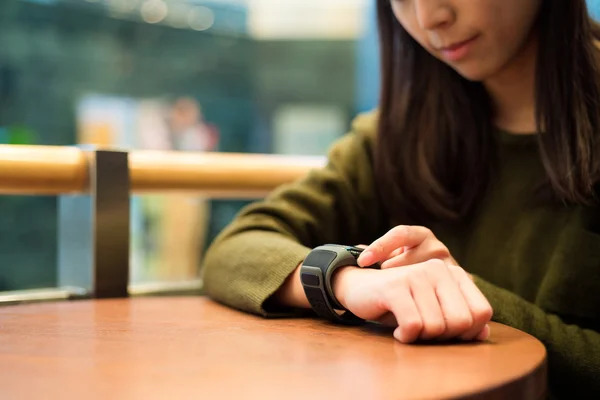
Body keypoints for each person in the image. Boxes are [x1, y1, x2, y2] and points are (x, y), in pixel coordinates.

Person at [201, 1, 600, 398]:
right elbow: (236, 247)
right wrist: (345, 281)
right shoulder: (402, 131)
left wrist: (465, 294)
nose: (428, 19)